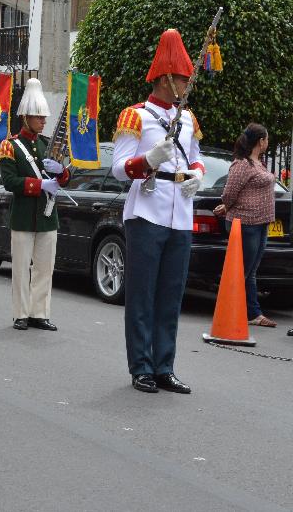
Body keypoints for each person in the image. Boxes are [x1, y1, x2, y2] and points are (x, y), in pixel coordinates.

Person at [111, 28, 205, 395]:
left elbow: (196, 159)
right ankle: (141, 367)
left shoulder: (188, 119)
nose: (187, 84)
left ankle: (165, 366)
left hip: (180, 212)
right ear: (166, 78)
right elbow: (118, 168)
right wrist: (148, 159)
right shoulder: (136, 116)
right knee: (142, 294)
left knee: (171, 294)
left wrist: (197, 175)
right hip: (147, 210)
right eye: (183, 78)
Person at [0, 78, 70, 333]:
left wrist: (60, 172)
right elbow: (9, 181)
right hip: (23, 216)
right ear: (25, 117)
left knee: (44, 268)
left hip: (47, 217)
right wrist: (40, 185)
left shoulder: (47, 144)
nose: (43, 121)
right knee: (20, 268)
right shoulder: (10, 145)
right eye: (38, 117)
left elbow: (64, 179)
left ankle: (39, 313)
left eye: (44, 117)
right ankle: (21, 313)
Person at [216, 123, 277, 328]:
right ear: (261, 141)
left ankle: (252, 313)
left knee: (250, 270)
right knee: (242, 270)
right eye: (267, 139)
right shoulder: (242, 164)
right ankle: (234, 311)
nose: (267, 143)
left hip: (261, 223)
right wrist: (226, 206)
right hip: (245, 223)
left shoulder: (258, 163)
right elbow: (229, 193)